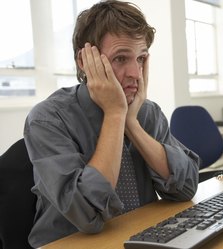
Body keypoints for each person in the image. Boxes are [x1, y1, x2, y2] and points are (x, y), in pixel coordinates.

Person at [23, 1, 200, 247]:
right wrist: (115, 115)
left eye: (140, 58)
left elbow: (187, 187)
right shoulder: (48, 119)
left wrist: (131, 123)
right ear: (85, 62)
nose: (135, 73)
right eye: (120, 58)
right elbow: (88, 214)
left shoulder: (146, 112)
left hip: (139, 236)